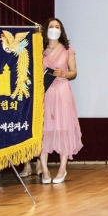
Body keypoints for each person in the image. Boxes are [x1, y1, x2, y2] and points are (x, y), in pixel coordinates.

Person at [37, 18, 83, 184]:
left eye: (57, 27)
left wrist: (62, 73)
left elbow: (73, 72)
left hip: (62, 91)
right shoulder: (39, 50)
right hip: (45, 92)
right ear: (45, 29)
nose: (54, 29)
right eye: (51, 26)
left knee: (63, 127)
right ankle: (45, 170)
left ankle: (62, 169)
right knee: (44, 128)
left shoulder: (67, 50)